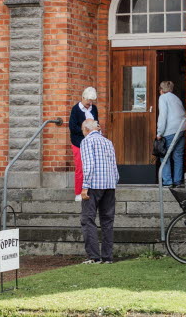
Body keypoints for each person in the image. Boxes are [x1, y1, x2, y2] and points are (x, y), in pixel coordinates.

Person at [79, 119, 118, 264]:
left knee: (87, 219)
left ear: (86, 129)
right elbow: (114, 167)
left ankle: (94, 257)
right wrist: (114, 182)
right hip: (109, 185)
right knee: (107, 221)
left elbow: (88, 165)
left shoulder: (87, 141)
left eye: (83, 130)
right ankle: (107, 257)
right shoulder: (108, 142)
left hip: (94, 185)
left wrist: (85, 186)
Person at [69, 87, 100, 202]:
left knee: (93, 167)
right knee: (80, 168)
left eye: (92, 101)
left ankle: (91, 191)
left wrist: (97, 129)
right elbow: (72, 127)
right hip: (79, 142)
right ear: (83, 97)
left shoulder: (94, 109)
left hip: (93, 142)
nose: (90, 103)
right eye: (88, 101)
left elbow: (96, 122)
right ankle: (78, 192)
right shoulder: (76, 110)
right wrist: (85, 131)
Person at [156, 80, 186, 186]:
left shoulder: (163, 98)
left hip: (171, 130)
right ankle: (178, 181)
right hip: (182, 128)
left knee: (164, 155)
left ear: (161, 90)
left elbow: (163, 116)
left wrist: (159, 132)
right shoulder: (176, 98)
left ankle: (168, 181)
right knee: (178, 155)